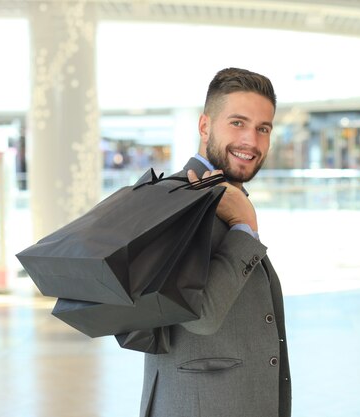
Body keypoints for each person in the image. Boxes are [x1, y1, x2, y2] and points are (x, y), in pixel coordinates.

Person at [139, 68, 291, 417]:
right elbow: (200, 315)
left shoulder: (228, 198)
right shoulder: (172, 201)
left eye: (262, 128)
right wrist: (243, 227)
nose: (251, 141)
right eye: (237, 123)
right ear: (205, 126)